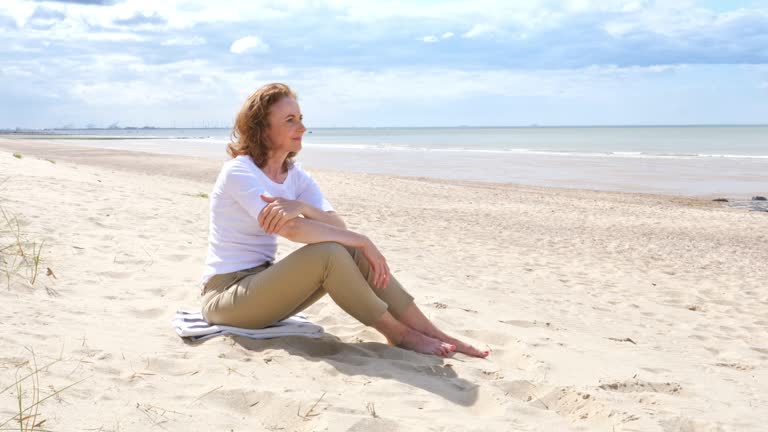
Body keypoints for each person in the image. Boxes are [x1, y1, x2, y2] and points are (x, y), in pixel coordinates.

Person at [200, 83, 488, 358]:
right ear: (262, 128)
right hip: (226, 296)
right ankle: (398, 333)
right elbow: (290, 228)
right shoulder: (240, 172)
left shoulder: (296, 177)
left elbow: (338, 229)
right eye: (290, 120)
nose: (302, 128)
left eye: (301, 119)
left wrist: (301, 206)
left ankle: (432, 331)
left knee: (344, 247)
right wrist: (363, 241)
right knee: (330, 252)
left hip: (262, 288)